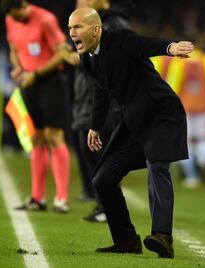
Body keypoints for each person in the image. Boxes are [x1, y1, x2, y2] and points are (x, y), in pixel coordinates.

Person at [68, 8, 193, 258]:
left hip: (160, 113)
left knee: (157, 166)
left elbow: (146, 44)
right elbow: (101, 90)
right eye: (70, 28)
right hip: (134, 121)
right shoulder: (88, 59)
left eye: (77, 27)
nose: (72, 34)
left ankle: (162, 237)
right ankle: (126, 241)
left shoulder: (120, 40)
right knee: (102, 178)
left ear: (95, 30)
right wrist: (95, 126)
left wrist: (170, 48)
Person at [1, 0, 71, 213]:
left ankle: (61, 198)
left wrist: (36, 74)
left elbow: (62, 53)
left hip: (50, 81)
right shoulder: (10, 19)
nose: (14, 20)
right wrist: (17, 67)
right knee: (36, 137)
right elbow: (13, 48)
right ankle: (37, 198)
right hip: (28, 83)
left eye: (16, 15)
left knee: (53, 135)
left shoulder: (45, 19)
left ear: (23, 5)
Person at [72, 0, 133, 223]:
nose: (81, 1)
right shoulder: (88, 23)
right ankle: (102, 204)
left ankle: (107, 206)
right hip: (87, 97)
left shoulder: (115, 23)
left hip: (102, 101)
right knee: (89, 151)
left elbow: (119, 58)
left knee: (99, 153)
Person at [166, 47, 205, 188]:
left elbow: (172, 87)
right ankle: (203, 161)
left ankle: (192, 176)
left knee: (186, 142)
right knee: (204, 139)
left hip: (184, 107)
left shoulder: (178, 62)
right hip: (204, 107)